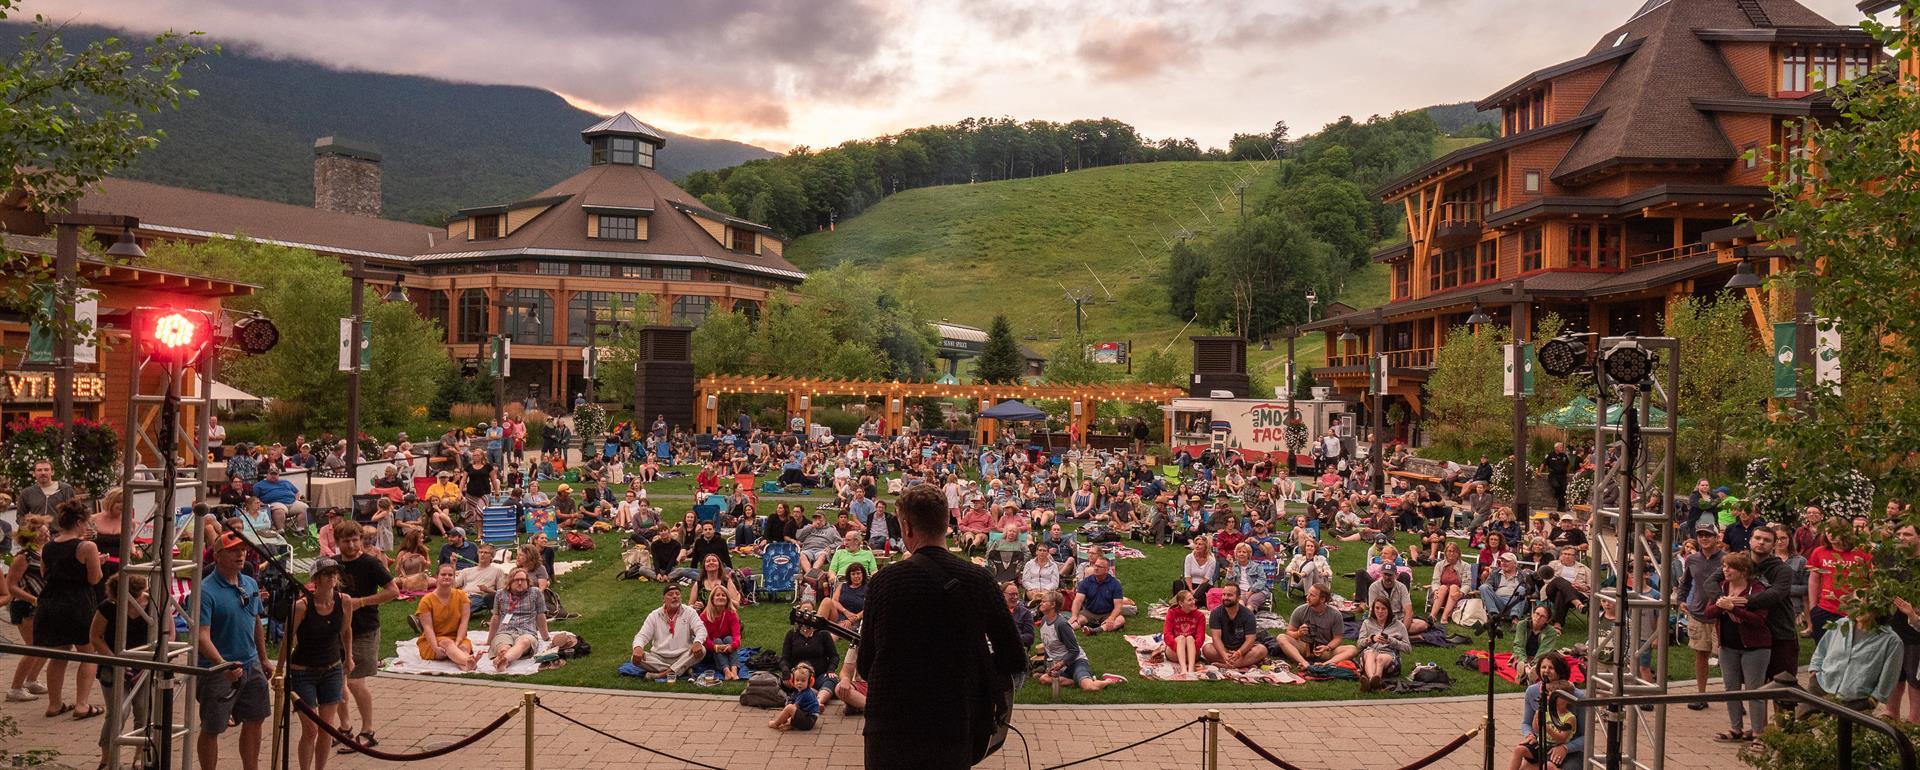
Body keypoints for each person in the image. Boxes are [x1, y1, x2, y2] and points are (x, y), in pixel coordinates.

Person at [858, 484, 1024, 769]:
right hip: (953, 719)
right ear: (947, 523)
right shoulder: (979, 580)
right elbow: (1014, 657)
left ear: (907, 527)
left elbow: (865, 664)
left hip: (890, 724)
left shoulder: (884, 581)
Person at [195, 534, 271, 770]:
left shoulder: (248, 582)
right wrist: (222, 664)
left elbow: (256, 620)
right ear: (217, 556)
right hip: (218, 670)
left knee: (256, 718)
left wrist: (264, 657)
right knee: (213, 726)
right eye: (233, 550)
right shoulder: (205, 591)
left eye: (243, 550)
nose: (240, 555)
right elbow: (201, 636)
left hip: (251, 664)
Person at [331, 521, 397, 752]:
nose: (351, 545)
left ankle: (368, 730)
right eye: (346, 541)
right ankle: (345, 726)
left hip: (365, 629)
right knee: (336, 682)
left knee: (355, 681)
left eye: (355, 540)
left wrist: (362, 602)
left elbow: (393, 591)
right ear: (337, 543)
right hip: (337, 630)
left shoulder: (370, 563)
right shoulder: (333, 565)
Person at [286, 558, 357, 770]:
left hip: (332, 668)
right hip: (302, 671)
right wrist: (280, 671)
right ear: (316, 579)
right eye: (327, 574)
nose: (333, 578)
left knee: (327, 728)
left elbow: (347, 630)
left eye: (335, 574)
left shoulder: (344, 601)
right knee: (311, 729)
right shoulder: (302, 606)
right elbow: (287, 639)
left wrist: (349, 657)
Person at [35, 500, 103, 718]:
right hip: (77, 602)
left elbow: (45, 573)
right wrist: (98, 562)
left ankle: (54, 704)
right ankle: (82, 704)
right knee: (88, 653)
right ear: (79, 522)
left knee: (58, 654)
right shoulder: (86, 546)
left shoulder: (48, 546)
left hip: (51, 602)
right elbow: (94, 578)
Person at [1704, 551, 1770, 742]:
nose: (1725, 570)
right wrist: (1723, 605)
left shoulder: (1756, 590)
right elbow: (1709, 612)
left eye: (1730, 567)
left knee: (1753, 690)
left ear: (1743, 571)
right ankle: (1736, 728)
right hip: (1728, 646)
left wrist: (1734, 608)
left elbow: (1759, 620)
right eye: (1724, 566)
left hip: (1755, 647)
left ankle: (1759, 732)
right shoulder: (1722, 588)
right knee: (1731, 688)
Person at [1511, 652, 1584, 770]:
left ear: (1560, 671)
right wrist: (1529, 735)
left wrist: (1566, 748)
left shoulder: (1577, 696)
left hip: (1572, 749)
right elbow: (1526, 723)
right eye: (1543, 667)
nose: (1546, 671)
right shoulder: (1532, 691)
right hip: (1543, 745)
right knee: (1524, 761)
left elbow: (1587, 737)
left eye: (1551, 668)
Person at [5, 516, 50, 703]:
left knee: (46, 646)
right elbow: (11, 586)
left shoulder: (45, 553)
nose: (47, 532)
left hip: (42, 604)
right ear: (33, 534)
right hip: (25, 606)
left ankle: (31, 680)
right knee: (33, 647)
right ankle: (15, 688)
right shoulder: (23, 557)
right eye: (43, 529)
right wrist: (33, 599)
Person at [1037, 590, 1116, 691]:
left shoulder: (1061, 625)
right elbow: (1048, 649)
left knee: (1089, 688)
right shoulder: (1044, 620)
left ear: (1053, 605)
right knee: (1044, 679)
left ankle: (1108, 680)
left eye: (1044, 601)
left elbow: (1074, 650)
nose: (1041, 603)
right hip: (1059, 666)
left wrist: (1061, 664)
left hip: (1076, 662)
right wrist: (1048, 666)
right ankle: (1075, 681)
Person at [1805, 531, 1871, 643]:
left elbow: (1871, 578)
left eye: (1835, 530)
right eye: (1827, 531)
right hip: (1825, 608)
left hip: (1855, 610)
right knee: (1823, 648)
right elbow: (1813, 580)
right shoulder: (1819, 551)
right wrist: (1813, 608)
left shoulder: (1861, 552)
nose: (1831, 534)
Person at [631, 583, 706, 680]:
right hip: (659, 657)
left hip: (682, 655)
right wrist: (638, 647)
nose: (675, 596)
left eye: (677, 594)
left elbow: (701, 629)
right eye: (670, 594)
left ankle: (662, 675)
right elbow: (642, 635)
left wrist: (697, 642)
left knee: (702, 650)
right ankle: (682, 669)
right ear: (664, 599)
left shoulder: (690, 612)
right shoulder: (654, 615)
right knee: (635, 658)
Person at [1275, 584, 1357, 669]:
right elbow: (1289, 632)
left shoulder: (1335, 614)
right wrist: (1298, 633)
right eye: (1308, 594)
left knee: (1352, 649)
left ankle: (1324, 665)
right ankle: (1304, 663)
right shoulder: (1300, 610)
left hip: (1324, 650)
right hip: (1304, 647)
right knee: (1281, 637)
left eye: (1312, 595)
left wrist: (1327, 647)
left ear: (1322, 599)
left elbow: (1338, 638)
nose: (1308, 597)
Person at [484, 568, 548, 671]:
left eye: (523, 580)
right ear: (509, 582)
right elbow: (496, 617)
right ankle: (503, 657)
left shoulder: (535, 592)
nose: (519, 583)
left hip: (527, 631)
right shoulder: (500, 594)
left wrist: (546, 637)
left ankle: (504, 659)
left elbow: (540, 616)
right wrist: (489, 641)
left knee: (524, 643)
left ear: (527, 581)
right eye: (516, 580)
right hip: (505, 630)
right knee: (503, 646)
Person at [1203, 583, 1267, 670]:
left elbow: (1250, 639)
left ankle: (1229, 665)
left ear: (1238, 597)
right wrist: (1224, 654)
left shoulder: (1248, 614)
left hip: (1243, 650)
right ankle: (1240, 663)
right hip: (1224, 649)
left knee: (1261, 650)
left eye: (1229, 595)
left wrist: (1239, 653)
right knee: (1207, 649)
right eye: (1224, 594)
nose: (1225, 598)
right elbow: (1216, 638)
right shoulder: (1216, 613)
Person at [1356, 596, 1411, 692]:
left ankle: (1370, 682)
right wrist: (1371, 639)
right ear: (1373, 609)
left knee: (1380, 658)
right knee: (1370, 653)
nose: (1380, 611)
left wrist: (1391, 640)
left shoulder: (1399, 625)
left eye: (1383, 609)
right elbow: (1359, 645)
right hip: (1369, 654)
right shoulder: (1367, 623)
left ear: (1389, 610)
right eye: (1377, 608)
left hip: (1389, 655)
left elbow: (1408, 648)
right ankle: (1374, 681)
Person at [1071, 555, 1131, 634]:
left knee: (1120, 620)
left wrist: (1111, 618)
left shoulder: (1115, 584)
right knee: (1077, 620)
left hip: (1107, 613)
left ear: (1106, 570)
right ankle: (1066, 629)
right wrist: (1074, 615)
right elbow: (1078, 601)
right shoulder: (1086, 581)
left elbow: (1118, 606)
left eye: (1099, 566)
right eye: (1096, 565)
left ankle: (1096, 630)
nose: (1096, 568)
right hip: (1089, 612)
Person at [1160, 589, 1206, 677]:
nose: (1193, 602)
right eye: (1189, 600)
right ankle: (1184, 669)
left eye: (1193, 599)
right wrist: (1176, 647)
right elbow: (1167, 634)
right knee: (1181, 638)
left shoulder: (1200, 616)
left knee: (1189, 638)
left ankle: (1191, 669)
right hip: (1175, 651)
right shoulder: (1172, 613)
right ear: (1181, 604)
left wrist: (1192, 648)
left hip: (1192, 652)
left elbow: (1201, 637)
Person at [700, 589, 744, 681]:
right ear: (712, 599)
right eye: (718, 595)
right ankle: (726, 671)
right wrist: (716, 647)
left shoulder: (731, 613)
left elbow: (737, 635)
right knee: (717, 641)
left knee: (729, 638)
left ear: (727, 599)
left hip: (728, 647)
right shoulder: (704, 616)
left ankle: (734, 670)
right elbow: (704, 639)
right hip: (711, 650)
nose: (721, 597)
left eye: (723, 595)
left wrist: (733, 645)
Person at [1512, 604, 1561, 684]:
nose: (1538, 617)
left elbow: (1544, 650)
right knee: (1518, 660)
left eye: (1543, 616)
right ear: (1532, 614)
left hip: (1540, 657)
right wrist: (1524, 662)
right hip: (1525, 655)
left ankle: (1528, 673)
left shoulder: (1551, 631)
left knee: (1545, 663)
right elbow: (1518, 645)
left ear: (1547, 620)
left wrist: (1534, 663)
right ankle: (1526, 671)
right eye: (1537, 614)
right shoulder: (1522, 625)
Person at [1429, 542, 1475, 626]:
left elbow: (1467, 584)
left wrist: (1461, 593)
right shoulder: (1439, 565)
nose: (1451, 553)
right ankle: (1432, 615)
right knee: (1442, 587)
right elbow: (1435, 581)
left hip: (1457, 595)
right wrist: (1435, 590)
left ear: (1458, 553)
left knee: (1454, 587)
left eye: (1454, 551)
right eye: (1449, 551)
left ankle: (1444, 616)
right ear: (1445, 552)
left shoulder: (1465, 566)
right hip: (1440, 595)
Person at [770, 663, 823, 732]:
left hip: (809, 721)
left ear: (809, 682)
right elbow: (792, 700)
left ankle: (776, 724)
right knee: (789, 707)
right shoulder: (798, 691)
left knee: (789, 708)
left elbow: (793, 707)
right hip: (806, 716)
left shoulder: (805, 694)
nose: (799, 683)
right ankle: (791, 724)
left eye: (803, 681)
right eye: (797, 680)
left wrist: (786, 712)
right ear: (793, 681)